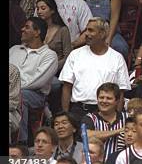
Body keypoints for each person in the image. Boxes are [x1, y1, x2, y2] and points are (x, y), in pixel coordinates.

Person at [59, 17, 131, 121]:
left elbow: (121, 91)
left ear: (102, 34)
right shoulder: (75, 55)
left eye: (91, 30)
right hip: (78, 110)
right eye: (86, 30)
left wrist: (117, 119)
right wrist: (66, 116)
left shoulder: (117, 58)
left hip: (105, 112)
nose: (86, 34)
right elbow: (67, 86)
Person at [9, 17, 58, 145]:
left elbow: (36, 82)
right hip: (12, 92)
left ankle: (21, 143)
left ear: (37, 32)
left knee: (21, 95)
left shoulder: (49, 55)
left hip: (34, 95)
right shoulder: (14, 49)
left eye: (26, 27)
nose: (22, 29)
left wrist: (13, 87)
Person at [82, 83, 127, 162]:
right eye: (101, 98)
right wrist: (119, 130)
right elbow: (87, 136)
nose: (104, 101)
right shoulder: (90, 118)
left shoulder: (127, 118)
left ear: (117, 101)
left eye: (109, 98)